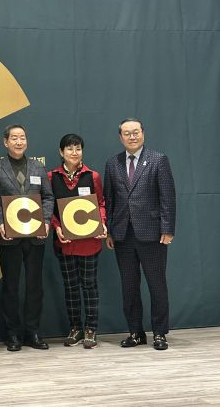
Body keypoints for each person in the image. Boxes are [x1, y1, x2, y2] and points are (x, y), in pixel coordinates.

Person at [104, 118, 176, 351]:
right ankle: (136, 332)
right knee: (129, 286)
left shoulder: (158, 159)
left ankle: (160, 333)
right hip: (122, 235)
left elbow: (167, 197)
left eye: (135, 132)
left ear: (143, 133)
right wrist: (110, 230)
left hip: (152, 234)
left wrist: (167, 229)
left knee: (157, 285)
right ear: (120, 137)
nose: (132, 136)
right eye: (127, 133)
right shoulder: (112, 163)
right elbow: (109, 199)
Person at [0, 124, 54, 352]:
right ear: (5, 142)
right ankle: (13, 334)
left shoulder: (38, 166)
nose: (19, 142)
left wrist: (46, 221)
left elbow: (48, 197)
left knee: (35, 286)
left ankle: (32, 332)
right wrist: (0, 223)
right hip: (10, 236)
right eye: (14, 138)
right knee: (11, 286)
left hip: (36, 235)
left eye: (22, 137)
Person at [48, 134, 107, 349]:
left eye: (78, 148)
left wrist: (102, 223)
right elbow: (48, 207)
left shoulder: (93, 176)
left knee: (89, 285)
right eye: (70, 148)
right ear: (61, 152)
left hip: (90, 241)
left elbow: (100, 203)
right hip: (64, 242)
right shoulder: (51, 177)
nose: (74, 152)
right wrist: (56, 227)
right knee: (71, 287)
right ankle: (75, 328)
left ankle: (91, 328)